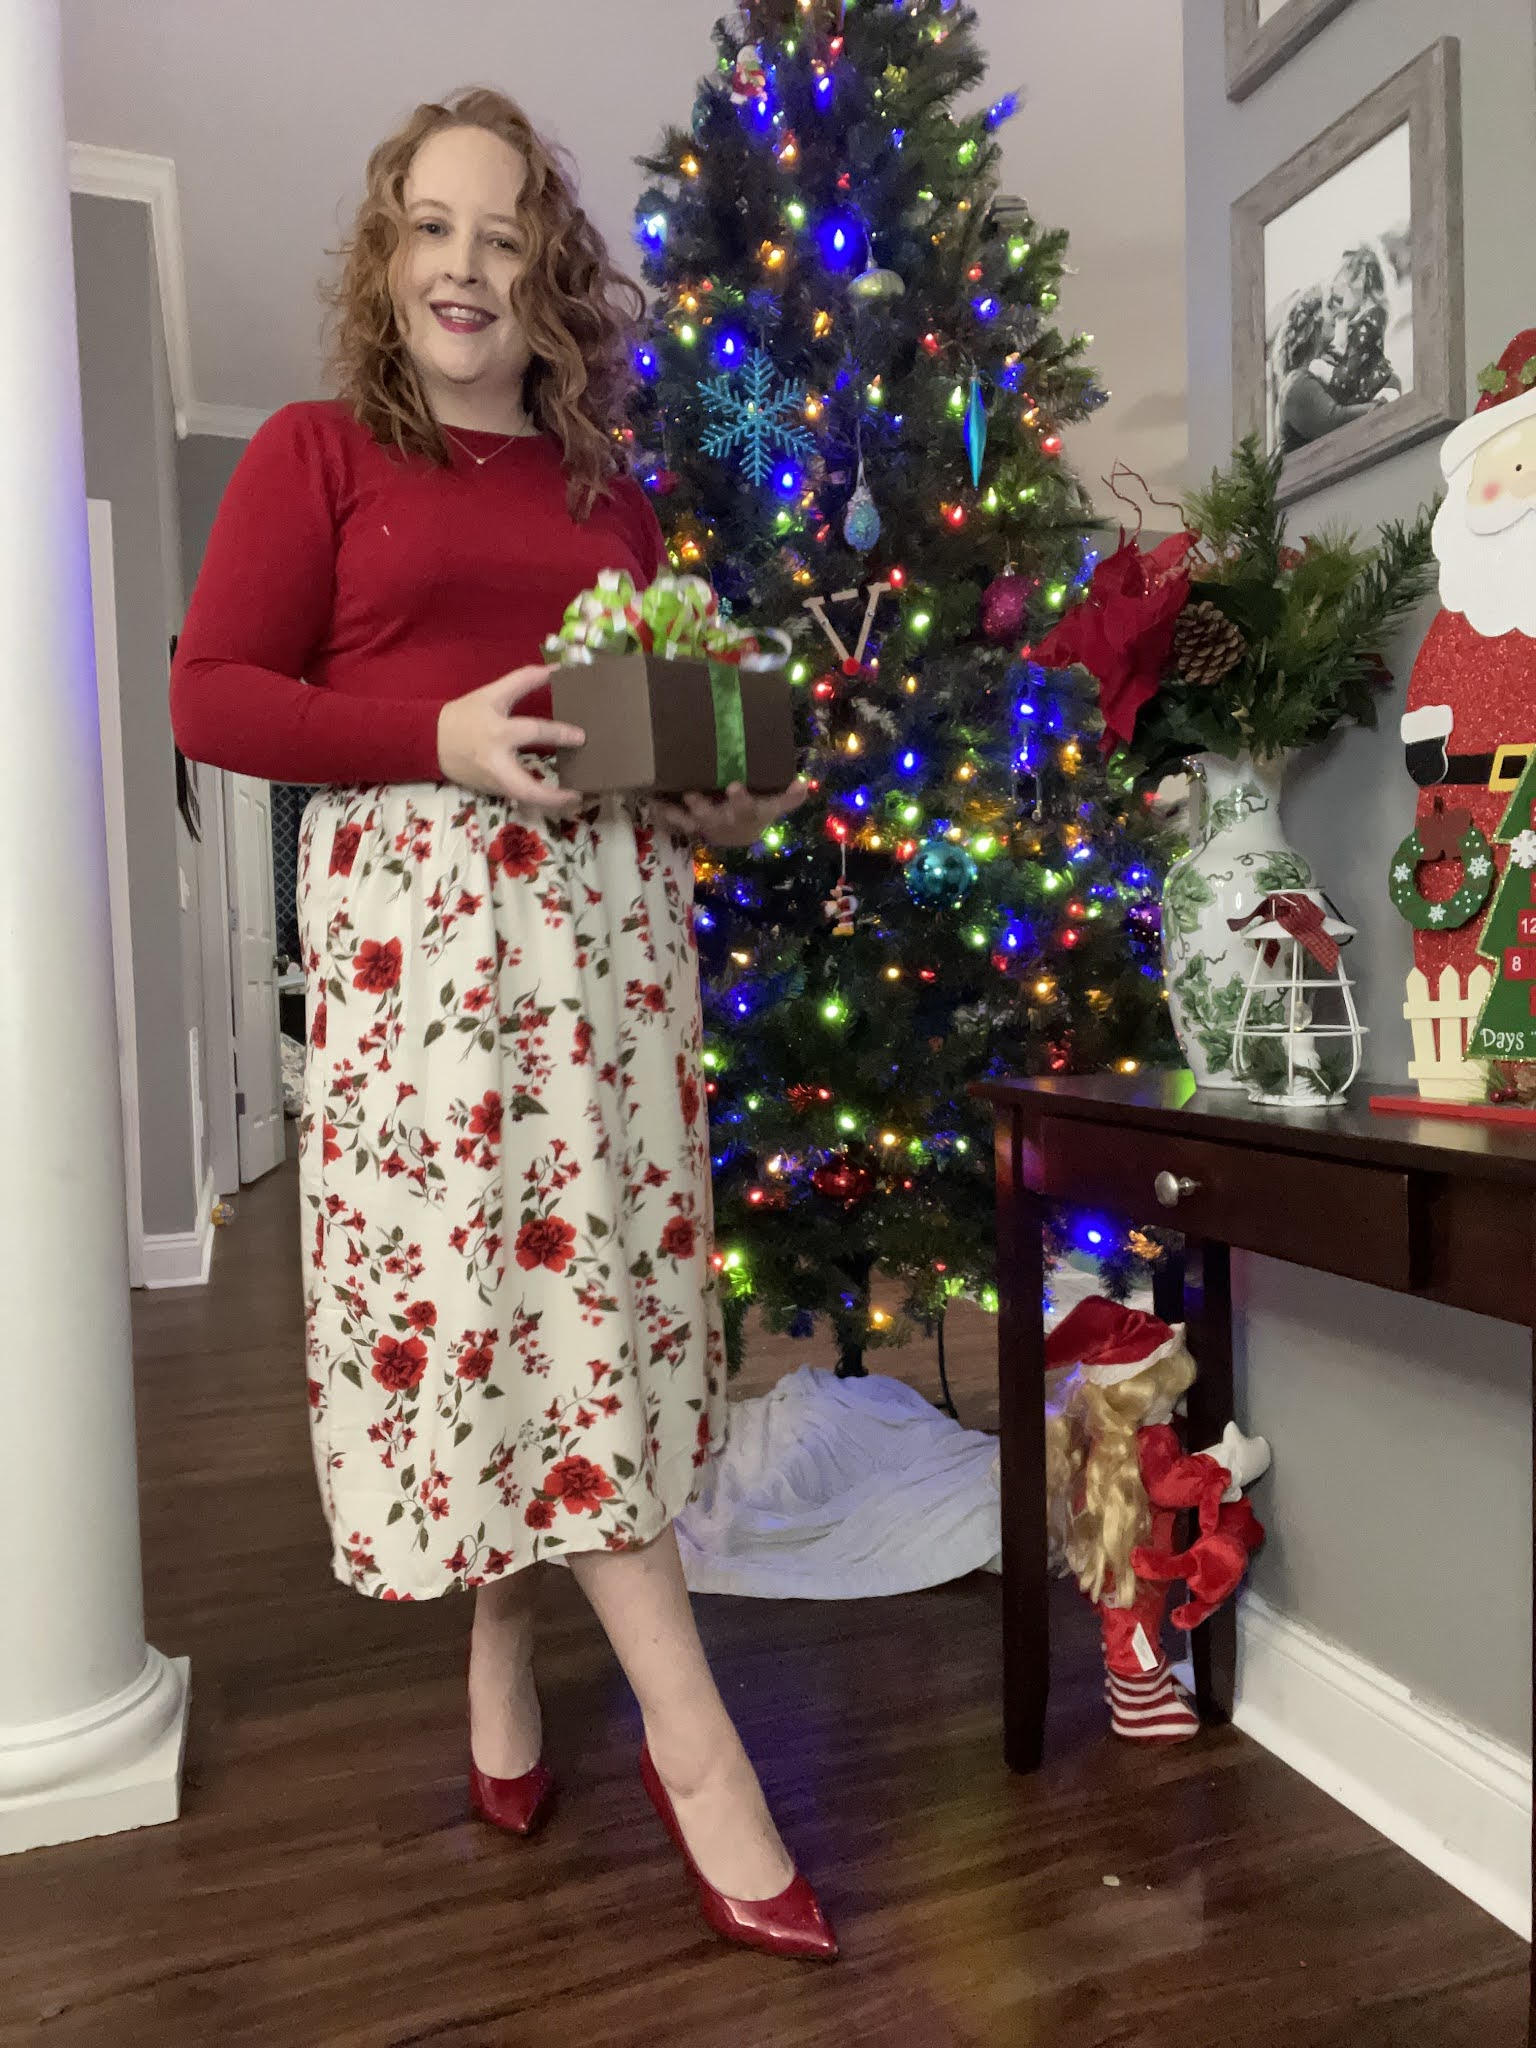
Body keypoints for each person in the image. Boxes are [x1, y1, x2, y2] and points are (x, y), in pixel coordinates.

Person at [170, 87, 832, 1962]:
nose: (467, 263)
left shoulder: (606, 484)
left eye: (502, 231)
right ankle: (699, 1751)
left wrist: (713, 797)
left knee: (595, 1304)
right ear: (387, 260)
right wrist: (437, 735)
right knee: (496, 1308)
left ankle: (505, 1620)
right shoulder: (316, 453)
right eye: (430, 227)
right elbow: (213, 694)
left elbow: (645, 712)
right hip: (423, 965)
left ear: (545, 266)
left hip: (611, 949)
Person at [1273, 286, 1380, 453]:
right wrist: (1382, 405)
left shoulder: (1318, 380)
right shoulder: (1296, 384)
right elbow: (1335, 419)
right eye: (1332, 309)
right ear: (1316, 321)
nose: (1343, 322)